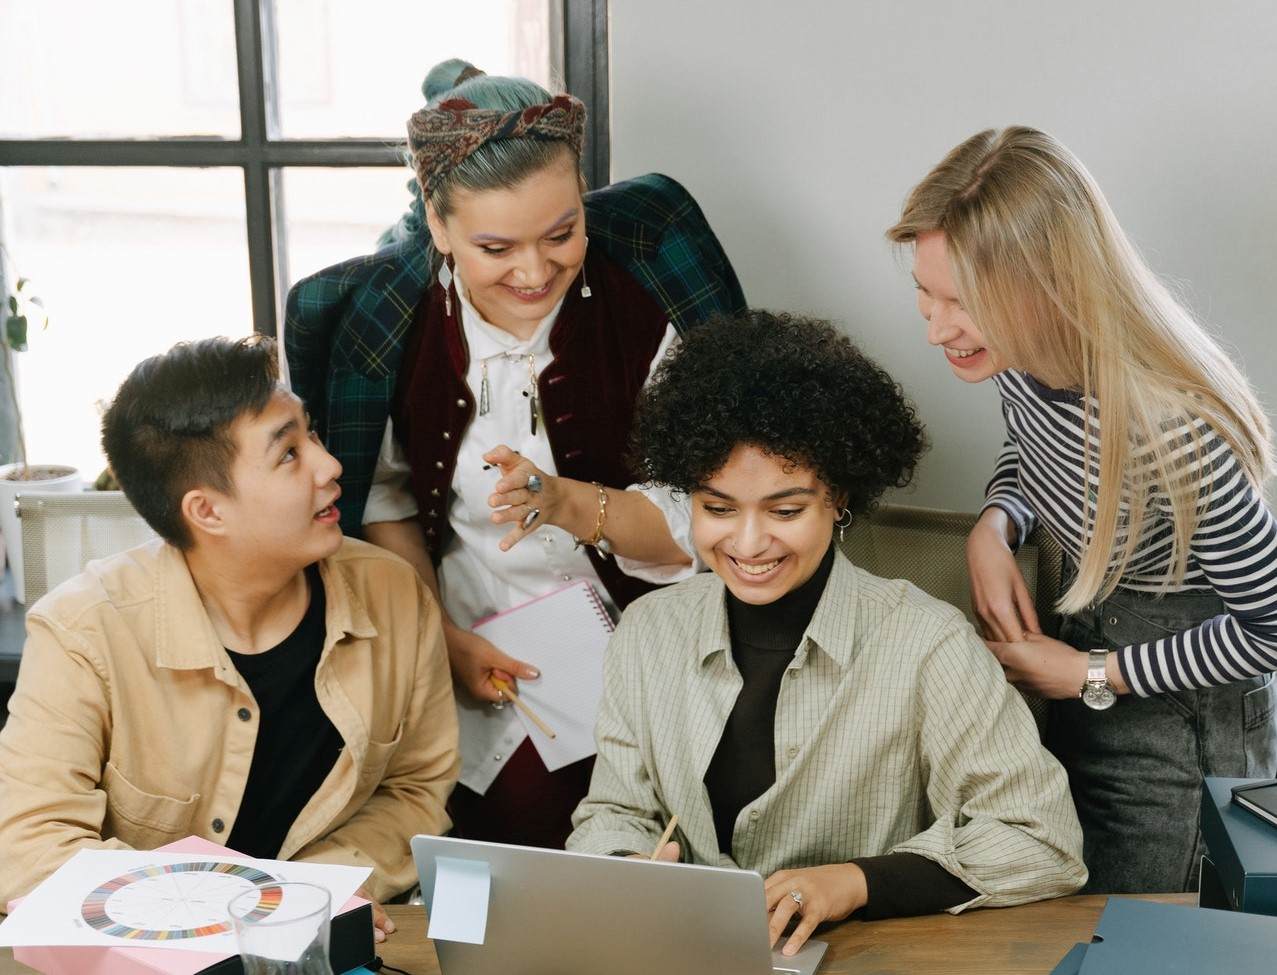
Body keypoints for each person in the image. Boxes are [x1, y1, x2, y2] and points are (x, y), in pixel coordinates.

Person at [285, 59, 745, 848]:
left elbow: (710, 515)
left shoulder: (650, 302)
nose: (535, 272)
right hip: (462, 640)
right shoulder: (388, 325)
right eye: (496, 246)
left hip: (646, 643)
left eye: (562, 233)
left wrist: (568, 503)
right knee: (480, 867)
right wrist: (439, 636)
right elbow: (385, 500)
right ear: (436, 225)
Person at [567, 310, 1086, 956]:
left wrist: (855, 882)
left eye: (784, 510)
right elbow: (611, 811)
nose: (749, 542)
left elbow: (1042, 838)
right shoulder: (647, 632)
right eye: (716, 508)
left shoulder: (927, 645)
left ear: (837, 497)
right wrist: (625, 863)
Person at [887, 126, 1277, 893]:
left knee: (1141, 930)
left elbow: (1270, 627)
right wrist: (995, 525)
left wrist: (1091, 671)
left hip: (1180, 723)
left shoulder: (1175, 431)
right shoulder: (1018, 358)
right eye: (924, 295)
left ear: (1049, 286)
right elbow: (1034, 454)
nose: (935, 329)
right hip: (1088, 673)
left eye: (961, 303)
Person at [0, 337, 459, 940]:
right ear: (207, 512)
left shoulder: (393, 594)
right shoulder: (83, 630)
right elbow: (28, 845)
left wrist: (312, 891)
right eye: (289, 454)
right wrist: (248, 905)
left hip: (333, 938)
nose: (330, 466)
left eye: (310, 434)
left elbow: (417, 789)